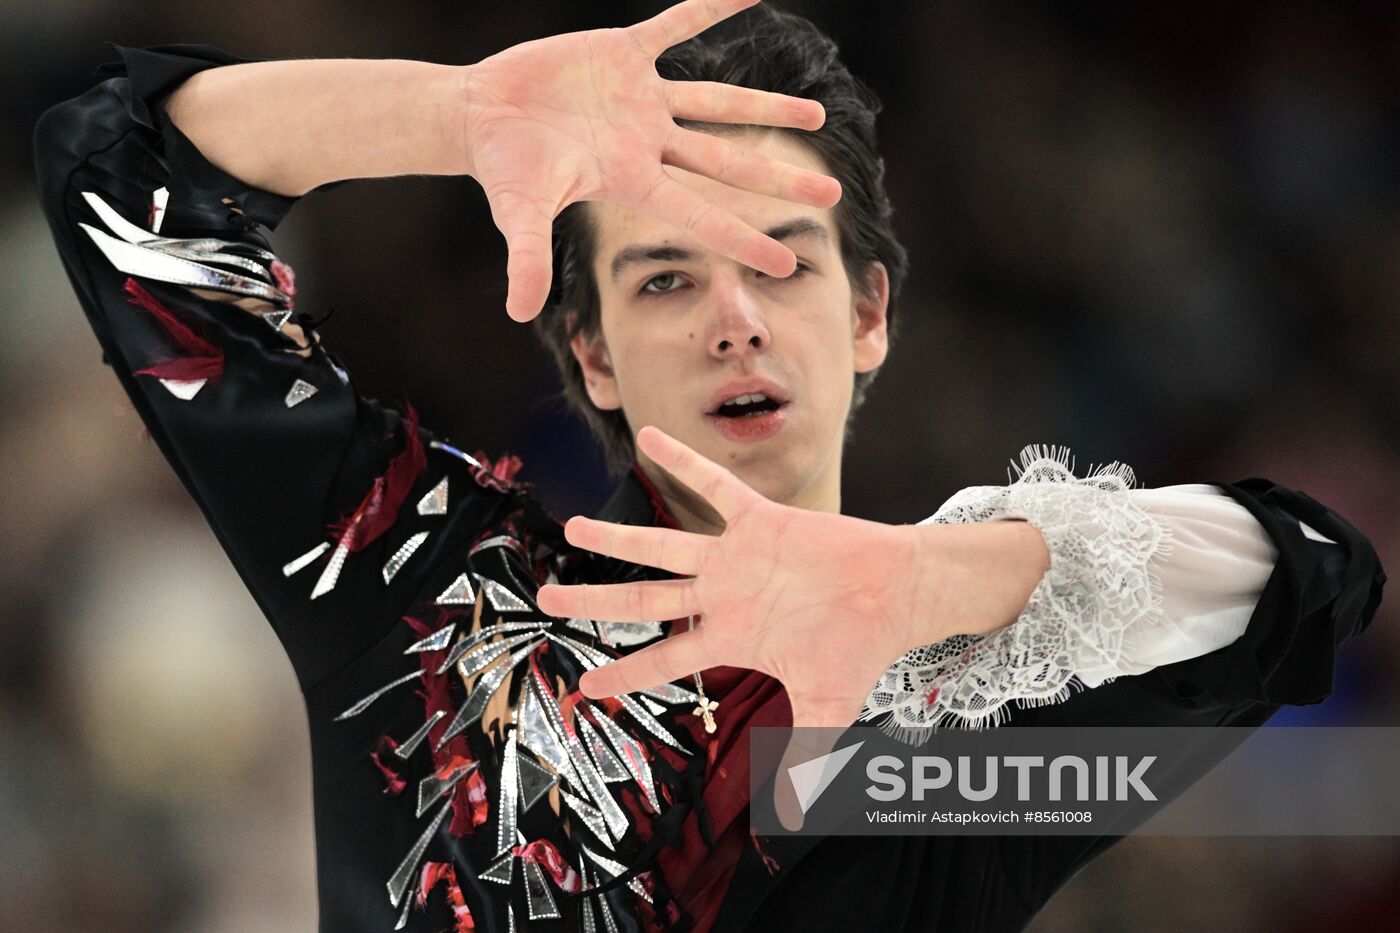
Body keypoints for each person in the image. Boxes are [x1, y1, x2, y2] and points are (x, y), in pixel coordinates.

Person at [33, 1, 1383, 930]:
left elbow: (1317, 575)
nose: (734, 317)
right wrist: (454, 114)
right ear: (594, 352)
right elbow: (119, 169)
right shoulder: (434, 606)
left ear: (868, 315)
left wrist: (940, 577)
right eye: (666, 276)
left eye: (781, 262)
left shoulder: (951, 748)